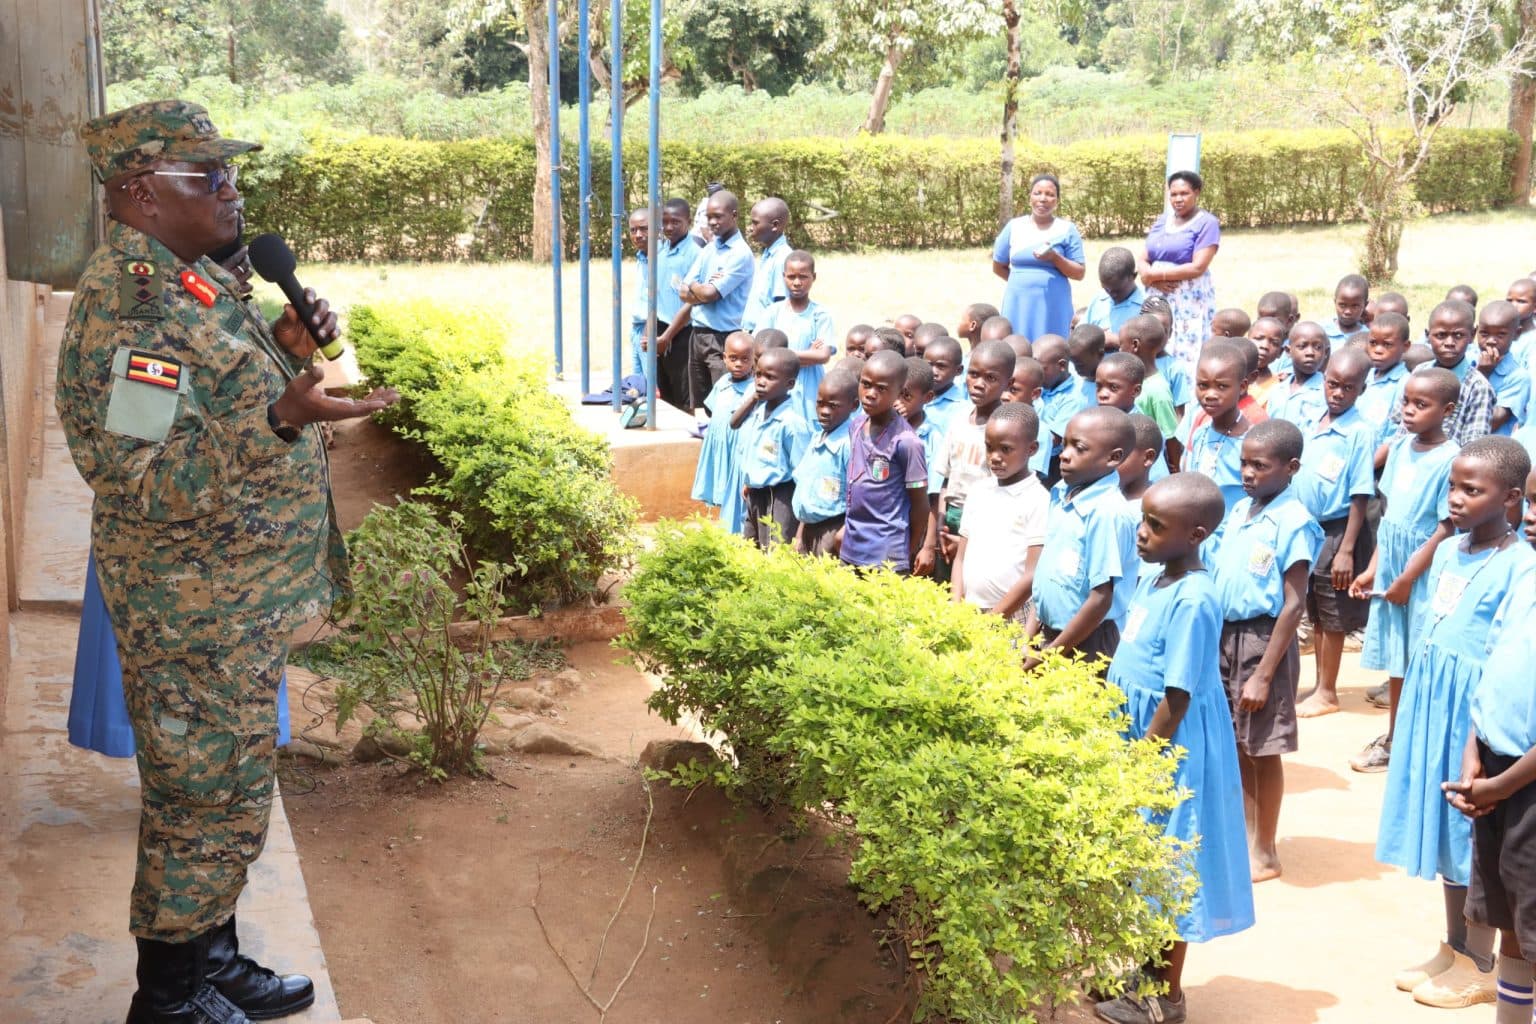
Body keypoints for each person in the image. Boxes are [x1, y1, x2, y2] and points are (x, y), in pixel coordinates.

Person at [57, 100, 401, 1024]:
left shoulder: (186, 282)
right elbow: (143, 476)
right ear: (140, 194)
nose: (230, 189)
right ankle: (169, 999)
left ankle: (211, 958)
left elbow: (212, 395)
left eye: (230, 172)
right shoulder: (132, 307)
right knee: (198, 799)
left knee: (230, 788)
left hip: (230, 603)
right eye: (207, 176)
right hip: (190, 609)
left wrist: (283, 351)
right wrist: (281, 417)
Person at [1378, 438, 1536, 1011]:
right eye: (1454, 487)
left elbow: (1505, 652)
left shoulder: (1520, 564)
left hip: (1468, 709)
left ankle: (1483, 961)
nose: (1458, 499)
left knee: (1470, 829)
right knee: (1446, 830)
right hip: (1431, 695)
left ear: (1512, 498)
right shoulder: (1451, 550)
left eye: (1474, 490)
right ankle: (1455, 945)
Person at [1092, 473, 1255, 1024]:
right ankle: (1138, 975)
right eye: (1143, 520)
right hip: (1139, 736)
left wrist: (1142, 760)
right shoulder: (1156, 578)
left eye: (1156, 527)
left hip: (1169, 747)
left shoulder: (1194, 599)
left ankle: (1165, 997)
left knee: (1168, 867)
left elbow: (1178, 695)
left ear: (1197, 533)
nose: (1141, 533)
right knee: (1141, 862)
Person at [1207, 420, 1322, 884]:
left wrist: (1262, 674)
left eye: (1260, 465)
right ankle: (1246, 835)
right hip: (1228, 635)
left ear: (1291, 468)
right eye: (1244, 463)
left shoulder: (1294, 521)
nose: (1248, 473)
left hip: (1264, 640)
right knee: (1238, 743)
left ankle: (1266, 850)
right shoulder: (1242, 511)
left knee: (1263, 747)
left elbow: (1294, 605)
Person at [1447, 517, 1536, 1024]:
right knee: (1511, 920)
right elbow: (1493, 660)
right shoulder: (1525, 574)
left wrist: (1498, 787)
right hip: (1498, 768)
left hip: (1520, 782)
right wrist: (1473, 751)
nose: (1531, 515)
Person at [1348, 369, 1459, 772]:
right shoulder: (1400, 448)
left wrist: (1408, 578)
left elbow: (1445, 527)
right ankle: (1396, 738)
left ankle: (1416, 743)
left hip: (1423, 572)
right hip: (1393, 566)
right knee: (1397, 658)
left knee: (1419, 660)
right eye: (1406, 402)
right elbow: (1392, 518)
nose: (1409, 411)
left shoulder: (1450, 459)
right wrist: (1374, 570)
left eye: (1421, 405)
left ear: (1447, 410)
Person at [1293, 345, 1376, 719]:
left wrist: (1346, 549)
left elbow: (1360, 495)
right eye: (1332, 384)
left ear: (1361, 389)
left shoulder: (1359, 432)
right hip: (1309, 530)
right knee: (1316, 609)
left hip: (1337, 530)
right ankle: (1319, 683)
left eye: (1347, 387)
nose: (1337, 393)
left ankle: (1329, 691)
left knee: (1333, 611)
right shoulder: (1314, 420)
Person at [1023, 407, 1139, 666]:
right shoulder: (1061, 493)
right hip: (1052, 639)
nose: (1064, 455)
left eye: (1079, 448)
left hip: (1089, 644)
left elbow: (1100, 599)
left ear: (1113, 457)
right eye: (1064, 445)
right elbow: (1046, 577)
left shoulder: (1107, 512)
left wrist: (1049, 656)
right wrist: (1029, 641)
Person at [951, 402, 1048, 619]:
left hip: (1010, 614)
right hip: (968, 609)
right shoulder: (978, 491)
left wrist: (994, 619)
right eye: (989, 447)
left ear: (1031, 449)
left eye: (1005, 449)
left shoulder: (1037, 499)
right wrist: (956, 604)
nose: (995, 456)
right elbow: (960, 558)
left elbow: (1032, 574)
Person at [838, 351, 930, 574]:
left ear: (900, 392)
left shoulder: (907, 443)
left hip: (886, 553)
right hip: (852, 545)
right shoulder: (857, 425)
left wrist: (906, 551)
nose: (870, 394)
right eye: (866, 384)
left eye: (881, 388)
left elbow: (920, 506)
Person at [932, 341, 1016, 572]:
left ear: (1008, 384)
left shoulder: (1007, 430)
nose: (978, 384)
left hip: (985, 522)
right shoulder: (958, 421)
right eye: (974, 374)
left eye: (990, 378)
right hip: (952, 517)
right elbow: (946, 480)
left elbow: (1006, 492)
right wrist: (941, 520)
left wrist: (974, 538)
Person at [680, 189, 755, 427]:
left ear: (734, 215)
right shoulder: (710, 248)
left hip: (723, 339)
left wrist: (700, 287)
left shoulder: (740, 254)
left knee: (725, 406)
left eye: (718, 216)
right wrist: (699, 286)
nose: (712, 222)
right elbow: (683, 290)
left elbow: (711, 294)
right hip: (699, 334)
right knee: (702, 404)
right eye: (708, 216)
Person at [1138, 171, 1221, 378]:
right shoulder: (1162, 220)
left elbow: (1198, 267)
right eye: (1173, 194)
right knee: (1154, 343)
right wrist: (1148, 276)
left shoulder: (1207, 223)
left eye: (1184, 193)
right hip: (1156, 295)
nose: (1178, 199)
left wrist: (1159, 275)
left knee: (1185, 350)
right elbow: (1143, 257)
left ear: (1197, 192)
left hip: (1188, 298)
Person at [991, 173, 1086, 339]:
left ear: (1057, 201)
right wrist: (1022, 282)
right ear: (1030, 198)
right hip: (1019, 301)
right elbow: (998, 266)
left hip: (1054, 301)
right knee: (1017, 346)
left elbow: (1079, 273)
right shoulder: (1014, 227)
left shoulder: (1066, 229)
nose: (1043, 199)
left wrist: (1055, 258)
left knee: (1052, 349)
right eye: (1038, 193)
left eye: (1050, 195)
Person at [638, 197, 701, 412]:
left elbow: (693, 303)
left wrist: (667, 337)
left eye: (676, 222)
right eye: (664, 222)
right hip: (662, 328)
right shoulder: (661, 251)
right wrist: (650, 329)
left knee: (684, 392)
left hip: (682, 332)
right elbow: (654, 294)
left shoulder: (695, 254)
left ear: (688, 222)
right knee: (664, 390)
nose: (668, 227)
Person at [758, 250, 835, 427]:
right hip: (775, 386)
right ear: (783, 276)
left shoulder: (820, 315)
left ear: (813, 277)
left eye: (803, 277)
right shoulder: (772, 312)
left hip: (808, 388)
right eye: (791, 277)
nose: (797, 282)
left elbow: (823, 356)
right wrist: (807, 354)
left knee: (806, 431)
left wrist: (779, 354)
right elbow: (761, 352)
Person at [691, 332, 756, 533]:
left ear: (754, 360)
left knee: (736, 494)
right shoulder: (722, 383)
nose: (738, 364)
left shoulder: (754, 389)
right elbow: (713, 408)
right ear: (724, 358)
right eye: (733, 358)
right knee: (720, 488)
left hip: (737, 449)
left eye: (745, 359)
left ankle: (735, 532)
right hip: (720, 445)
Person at [791, 371, 859, 556]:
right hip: (809, 527)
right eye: (820, 404)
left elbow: (859, 496)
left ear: (854, 405)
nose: (824, 411)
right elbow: (806, 490)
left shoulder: (850, 444)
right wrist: (799, 534)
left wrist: (844, 532)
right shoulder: (817, 437)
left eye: (833, 406)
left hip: (833, 529)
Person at [1181, 343, 1253, 512]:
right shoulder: (1200, 433)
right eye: (1203, 386)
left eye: (1222, 386)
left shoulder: (1252, 443)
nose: (1210, 395)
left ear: (1242, 387)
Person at [1421, 300, 1495, 447]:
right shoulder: (1419, 373)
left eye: (1458, 335)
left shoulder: (1478, 387)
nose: (1449, 342)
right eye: (1441, 335)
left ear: (1472, 335)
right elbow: (1400, 429)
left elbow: (1472, 448)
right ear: (1428, 335)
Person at [896, 356, 944, 575]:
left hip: (916, 528)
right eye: (894, 392)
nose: (897, 402)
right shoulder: (880, 427)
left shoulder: (931, 438)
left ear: (928, 397)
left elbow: (933, 497)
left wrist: (927, 546)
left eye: (906, 396)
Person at [1120, 315, 1180, 467]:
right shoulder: (1129, 380)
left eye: (1121, 345)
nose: (1119, 350)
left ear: (1135, 345)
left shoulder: (1158, 391)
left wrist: (1176, 467)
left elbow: (1171, 436)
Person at [1034, 334, 1091, 485]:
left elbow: (1054, 440)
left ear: (1061, 365)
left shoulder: (1074, 399)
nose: (1036, 373)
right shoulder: (1042, 386)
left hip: (1051, 465)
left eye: (1041, 369)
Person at [1476, 300, 1530, 436]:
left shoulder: (1518, 377)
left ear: (1516, 333)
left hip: (1490, 451)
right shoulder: (1466, 360)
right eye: (1484, 333)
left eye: (1500, 335)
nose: (1490, 341)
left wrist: (1482, 376)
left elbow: (1491, 423)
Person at [1359, 311, 1412, 448]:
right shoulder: (1364, 375)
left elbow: (1396, 438)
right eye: (1373, 343)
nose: (1378, 350)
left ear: (1405, 346)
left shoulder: (1405, 384)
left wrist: (1368, 466)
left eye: (1387, 345)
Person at [740, 197, 792, 332]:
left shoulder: (782, 258)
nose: (751, 228)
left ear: (775, 225)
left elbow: (781, 306)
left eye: (755, 223)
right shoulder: (768, 254)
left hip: (765, 338)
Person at [1265, 321, 1329, 430]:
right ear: (1288, 351)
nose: (1310, 352)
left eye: (1318, 347)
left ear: (1325, 352)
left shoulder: (1326, 392)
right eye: (1302, 346)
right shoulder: (1277, 389)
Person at [1083, 247, 1146, 333]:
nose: (1111, 294)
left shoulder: (1147, 306)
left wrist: (1115, 341)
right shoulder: (1098, 301)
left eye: (1117, 290)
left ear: (1133, 276)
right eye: (1106, 289)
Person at [922, 336, 969, 435]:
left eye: (941, 366)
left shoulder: (961, 408)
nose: (933, 372)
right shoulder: (916, 395)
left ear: (958, 370)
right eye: (929, 365)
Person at [1246, 315, 1287, 409]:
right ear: (1246, 341)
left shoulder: (1279, 386)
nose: (1264, 346)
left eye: (1274, 343)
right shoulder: (1231, 375)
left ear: (1280, 352)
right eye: (1259, 338)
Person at [1325, 274, 1370, 346]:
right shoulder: (1322, 330)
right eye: (1342, 305)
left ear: (1365, 305)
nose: (1348, 312)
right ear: (1335, 302)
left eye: (1355, 306)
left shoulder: (1368, 337)